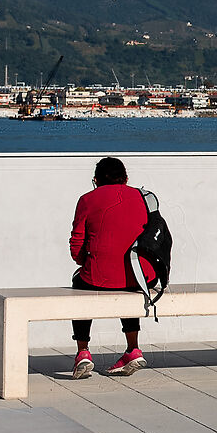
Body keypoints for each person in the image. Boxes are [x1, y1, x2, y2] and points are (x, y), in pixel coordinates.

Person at [68, 155, 155, 378]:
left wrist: (84, 262)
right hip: (139, 275)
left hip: (98, 276)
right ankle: (133, 348)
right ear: (125, 178)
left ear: (96, 180)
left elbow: (77, 242)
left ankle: (83, 352)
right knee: (129, 284)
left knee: (79, 285)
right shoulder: (142, 197)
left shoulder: (87, 199)